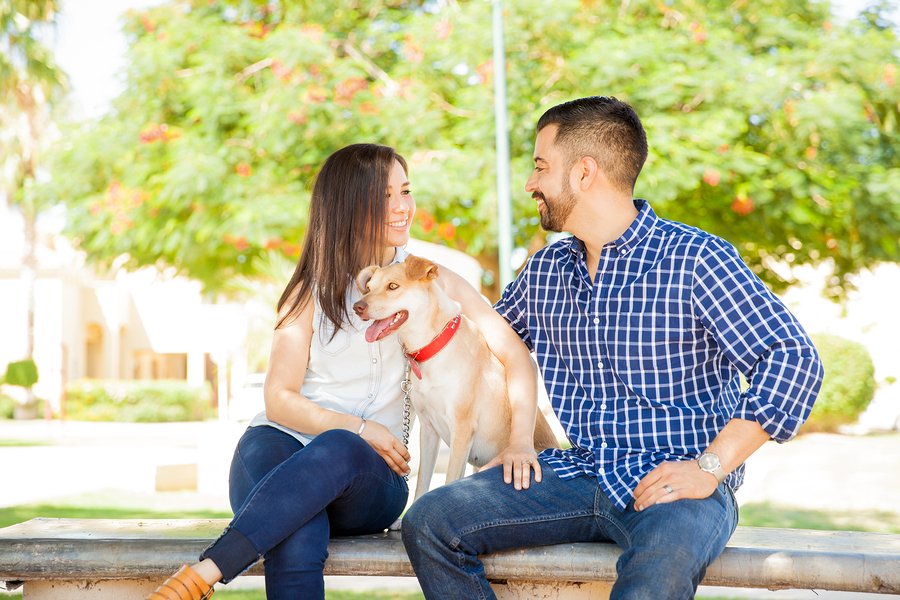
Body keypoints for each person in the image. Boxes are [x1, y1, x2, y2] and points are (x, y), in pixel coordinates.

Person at [401, 96, 824, 599]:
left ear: (584, 173)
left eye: (540, 167)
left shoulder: (696, 259)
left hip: (676, 482)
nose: (531, 183)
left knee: (655, 574)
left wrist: (711, 467)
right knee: (430, 521)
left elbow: (794, 358)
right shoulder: (546, 272)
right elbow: (487, 346)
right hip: (576, 472)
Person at [146, 143, 543, 600]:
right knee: (298, 525)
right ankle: (199, 580)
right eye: (385, 195)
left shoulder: (432, 281)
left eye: (406, 190)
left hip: (370, 478)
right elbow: (278, 398)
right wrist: (359, 426)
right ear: (349, 205)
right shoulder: (308, 291)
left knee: (339, 448)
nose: (403, 206)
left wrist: (518, 442)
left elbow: (514, 356)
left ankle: (206, 573)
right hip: (278, 447)